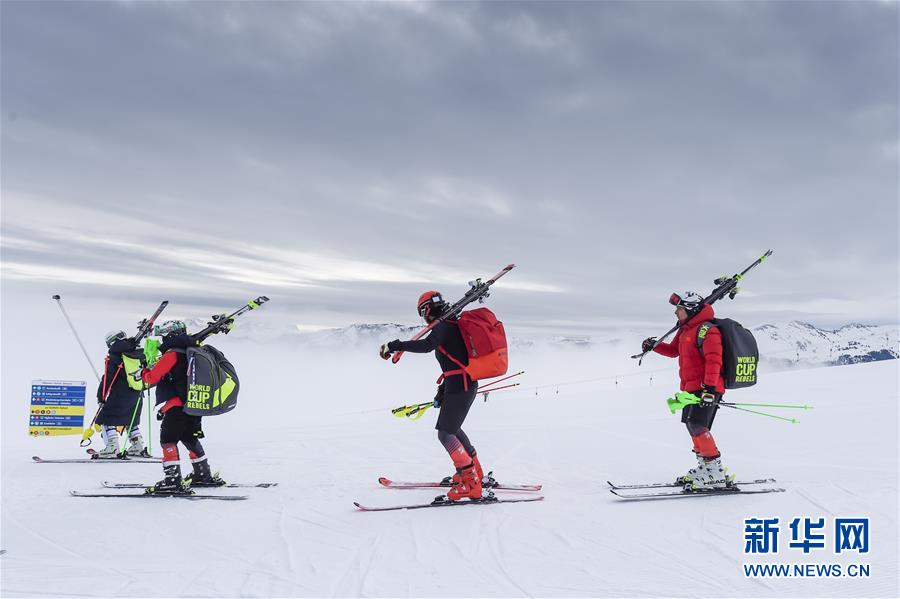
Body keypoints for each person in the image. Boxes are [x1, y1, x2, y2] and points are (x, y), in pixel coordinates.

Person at [380, 291, 484, 501]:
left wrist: (396, 345)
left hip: (461, 386)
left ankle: (471, 483)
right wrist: (442, 391)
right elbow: (453, 361)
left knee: (445, 434)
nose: (423, 317)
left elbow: (427, 346)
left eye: (422, 312)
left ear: (427, 309)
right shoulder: (450, 323)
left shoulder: (445, 325)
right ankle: (475, 472)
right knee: (453, 430)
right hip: (460, 384)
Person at [642, 292, 732, 490]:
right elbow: (674, 351)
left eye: (679, 309)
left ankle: (714, 472)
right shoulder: (685, 330)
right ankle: (705, 467)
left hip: (707, 387)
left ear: (690, 309)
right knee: (691, 426)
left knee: (698, 425)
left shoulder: (708, 330)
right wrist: (654, 346)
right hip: (689, 388)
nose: (676, 313)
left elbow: (714, 360)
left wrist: (709, 389)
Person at [134, 320, 225, 493]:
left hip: (178, 405)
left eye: (165, 335)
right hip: (194, 403)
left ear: (171, 335)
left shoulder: (172, 354)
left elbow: (153, 377)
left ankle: (172, 480)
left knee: (167, 439)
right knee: (189, 437)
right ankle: (203, 474)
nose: (163, 339)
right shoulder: (192, 350)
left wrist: (143, 373)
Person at [94, 330, 147, 458]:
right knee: (131, 418)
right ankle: (137, 445)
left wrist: (101, 396)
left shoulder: (115, 355)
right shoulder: (137, 352)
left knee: (106, 417)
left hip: (120, 394)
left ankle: (112, 447)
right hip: (138, 393)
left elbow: (108, 378)